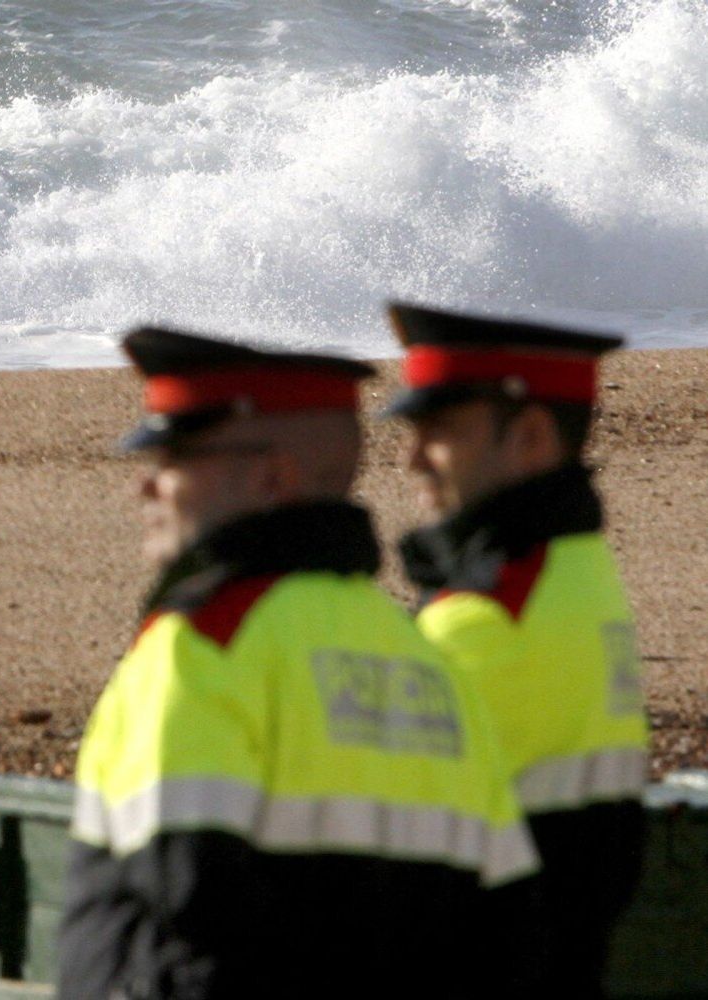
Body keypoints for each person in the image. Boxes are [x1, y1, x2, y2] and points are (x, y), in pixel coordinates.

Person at [57, 326, 537, 1000]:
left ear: (270, 477)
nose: (147, 488)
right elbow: (507, 929)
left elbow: (185, 909)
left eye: (175, 458)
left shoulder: (205, 646)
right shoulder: (427, 663)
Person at [385, 302, 648, 998]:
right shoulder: (577, 570)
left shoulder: (484, 617)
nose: (411, 458)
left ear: (530, 437)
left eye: (438, 429)